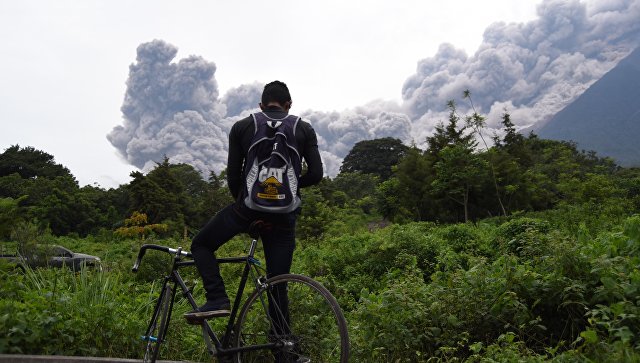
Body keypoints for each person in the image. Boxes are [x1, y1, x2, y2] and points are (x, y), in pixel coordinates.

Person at [185, 80, 323, 320]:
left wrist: (246, 207)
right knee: (277, 285)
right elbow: (316, 174)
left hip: (246, 211)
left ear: (261, 105)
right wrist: (287, 185)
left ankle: (217, 298)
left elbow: (233, 176)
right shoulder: (304, 129)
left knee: (201, 245)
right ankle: (283, 349)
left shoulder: (242, 126)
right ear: (288, 105)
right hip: (284, 216)